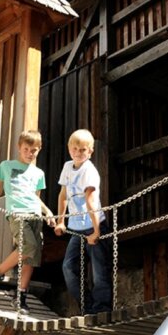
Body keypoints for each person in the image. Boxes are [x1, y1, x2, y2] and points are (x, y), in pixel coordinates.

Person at [0, 129, 53, 314]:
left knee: (31, 257)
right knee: (28, 246)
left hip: (35, 216)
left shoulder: (39, 173)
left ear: (39, 150)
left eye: (34, 150)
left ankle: (20, 296)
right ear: (19, 147)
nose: (30, 153)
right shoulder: (6, 166)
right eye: (26, 149)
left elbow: (36, 198)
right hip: (17, 213)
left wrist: (47, 212)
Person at [54, 129, 110, 315]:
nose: (78, 153)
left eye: (83, 150)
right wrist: (61, 221)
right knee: (69, 267)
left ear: (90, 151)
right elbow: (63, 195)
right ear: (69, 148)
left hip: (94, 225)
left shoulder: (89, 171)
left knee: (99, 271)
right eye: (75, 148)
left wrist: (96, 231)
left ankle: (101, 310)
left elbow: (91, 201)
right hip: (76, 228)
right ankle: (87, 306)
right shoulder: (68, 167)